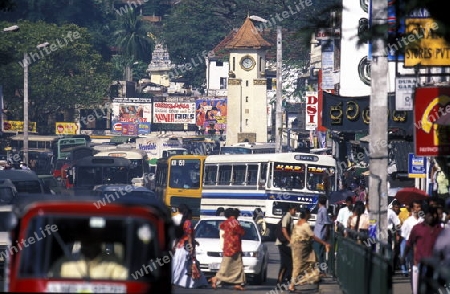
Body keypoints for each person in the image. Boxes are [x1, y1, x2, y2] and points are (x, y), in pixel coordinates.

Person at [289, 208, 330, 292]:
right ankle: (292, 285)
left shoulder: (298, 222)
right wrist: (324, 243)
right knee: (298, 266)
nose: (310, 215)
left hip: (302, 247)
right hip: (302, 248)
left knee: (312, 261)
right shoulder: (305, 225)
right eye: (309, 214)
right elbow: (313, 236)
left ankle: (308, 278)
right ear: (307, 214)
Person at [406, 206, 443, 294]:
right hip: (420, 265)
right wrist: (404, 256)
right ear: (425, 215)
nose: (431, 217)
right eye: (429, 214)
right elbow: (409, 243)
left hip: (435, 265)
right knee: (419, 290)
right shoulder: (417, 228)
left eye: (434, 214)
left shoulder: (440, 230)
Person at [210, 208, 246, 291]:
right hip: (234, 247)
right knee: (235, 266)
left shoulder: (225, 223)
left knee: (229, 265)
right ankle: (216, 278)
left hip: (227, 246)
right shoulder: (235, 222)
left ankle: (238, 283)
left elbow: (222, 229)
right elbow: (242, 232)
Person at [172, 207, 208, 289]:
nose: (192, 216)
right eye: (191, 214)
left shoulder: (181, 222)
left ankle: (181, 281)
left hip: (180, 247)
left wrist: (174, 247)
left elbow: (178, 236)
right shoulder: (188, 222)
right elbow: (189, 235)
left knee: (181, 265)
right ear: (188, 214)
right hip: (186, 246)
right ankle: (194, 282)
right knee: (189, 265)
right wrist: (191, 245)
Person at [56, 238, 127, 279]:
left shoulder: (113, 263)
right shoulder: (66, 263)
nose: (90, 246)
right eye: (86, 242)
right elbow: (50, 284)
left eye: (93, 242)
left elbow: (125, 284)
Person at [399, 200, 423, 277]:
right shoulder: (408, 221)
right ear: (412, 209)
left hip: (421, 245)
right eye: (416, 207)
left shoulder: (423, 220)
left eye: (419, 207)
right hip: (410, 246)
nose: (417, 209)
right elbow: (403, 234)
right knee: (413, 264)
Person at [275, 204, 296, 284]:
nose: (295, 211)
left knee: (285, 262)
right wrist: (290, 240)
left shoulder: (290, 217)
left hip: (284, 243)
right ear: (290, 210)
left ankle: (281, 280)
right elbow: (284, 230)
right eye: (294, 210)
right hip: (283, 243)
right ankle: (284, 280)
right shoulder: (287, 217)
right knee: (289, 263)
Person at [313, 195, 332, 277]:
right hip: (317, 235)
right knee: (317, 254)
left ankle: (321, 271)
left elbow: (327, 223)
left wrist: (326, 234)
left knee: (319, 255)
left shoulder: (323, 210)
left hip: (320, 235)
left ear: (319, 202)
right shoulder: (321, 210)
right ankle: (318, 270)